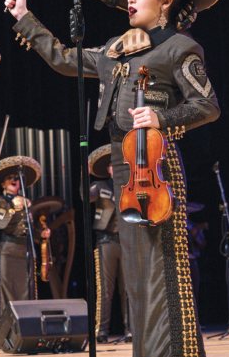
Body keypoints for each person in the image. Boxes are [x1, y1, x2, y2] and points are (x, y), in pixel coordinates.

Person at [5, 0, 229, 356]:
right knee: (138, 274)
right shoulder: (114, 49)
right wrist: (24, 17)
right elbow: (61, 58)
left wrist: (163, 117)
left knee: (162, 267)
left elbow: (207, 105)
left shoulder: (180, 47)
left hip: (156, 165)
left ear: (165, 2)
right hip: (124, 169)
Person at [0, 156, 46, 334]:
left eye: (16, 178)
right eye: (10, 178)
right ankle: (5, 333)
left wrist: (42, 234)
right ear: (3, 184)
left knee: (27, 290)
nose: (14, 180)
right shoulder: (1, 201)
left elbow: (31, 229)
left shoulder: (27, 202)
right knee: (5, 292)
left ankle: (27, 330)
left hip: (25, 249)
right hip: (8, 249)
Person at [87, 144, 130, 343]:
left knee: (128, 289)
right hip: (106, 242)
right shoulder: (100, 186)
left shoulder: (130, 185)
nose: (116, 168)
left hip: (127, 243)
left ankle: (130, 329)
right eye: (113, 165)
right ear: (108, 169)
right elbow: (85, 197)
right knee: (105, 290)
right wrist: (84, 176)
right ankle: (101, 330)